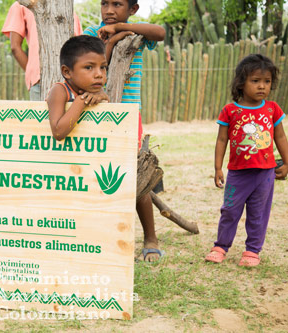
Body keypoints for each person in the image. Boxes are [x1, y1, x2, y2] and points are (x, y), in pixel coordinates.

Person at [84, 0, 165, 261]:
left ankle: (150, 237)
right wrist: (113, 39)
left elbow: (161, 33)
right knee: (98, 174)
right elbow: (99, 66)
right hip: (96, 113)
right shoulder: (90, 34)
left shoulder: (138, 31)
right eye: (104, 3)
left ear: (133, 9)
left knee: (135, 174)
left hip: (129, 115)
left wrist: (121, 28)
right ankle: (99, 236)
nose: (108, 10)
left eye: (117, 4)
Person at [205, 54, 288, 267]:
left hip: (265, 174)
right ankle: (221, 246)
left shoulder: (272, 109)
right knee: (230, 210)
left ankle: (252, 250)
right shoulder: (230, 110)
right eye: (255, 80)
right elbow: (222, 139)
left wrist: (287, 163)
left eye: (267, 81)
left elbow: (280, 137)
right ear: (241, 83)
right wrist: (218, 168)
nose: (262, 86)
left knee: (258, 213)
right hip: (238, 174)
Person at [2, 2, 83, 101]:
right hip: (70, 79)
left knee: (42, 116)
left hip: (42, 78)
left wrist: (34, 73)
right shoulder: (66, 7)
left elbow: (15, 47)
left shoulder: (22, 4)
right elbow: (80, 51)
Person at [47, 35, 109, 141]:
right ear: (67, 72)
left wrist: (104, 97)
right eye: (89, 67)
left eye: (103, 67)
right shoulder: (59, 90)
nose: (99, 74)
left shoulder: (96, 90)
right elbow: (58, 132)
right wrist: (82, 101)